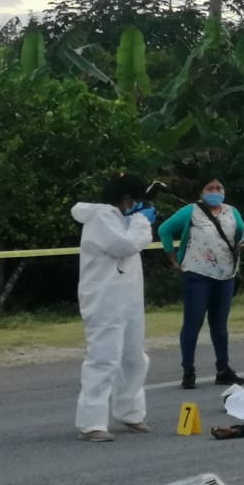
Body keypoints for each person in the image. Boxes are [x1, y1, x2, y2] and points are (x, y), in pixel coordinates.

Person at [70, 173, 156, 442]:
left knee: (134, 357)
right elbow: (124, 246)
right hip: (104, 300)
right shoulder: (101, 217)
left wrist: (136, 220)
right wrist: (142, 220)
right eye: (137, 201)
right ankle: (91, 422)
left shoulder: (125, 219)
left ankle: (129, 412)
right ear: (127, 199)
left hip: (129, 299)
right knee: (104, 359)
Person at [157, 178, 244, 390]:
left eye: (219, 187)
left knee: (220, 325)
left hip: (225, 275)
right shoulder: (191, 211)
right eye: (210, 188)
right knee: (193, 323)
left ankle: (223, 369)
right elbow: (164, 230)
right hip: (197, 274)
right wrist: (172, 258)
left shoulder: (231, 211)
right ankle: (188, 370)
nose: (215, 191)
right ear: (201, 191)